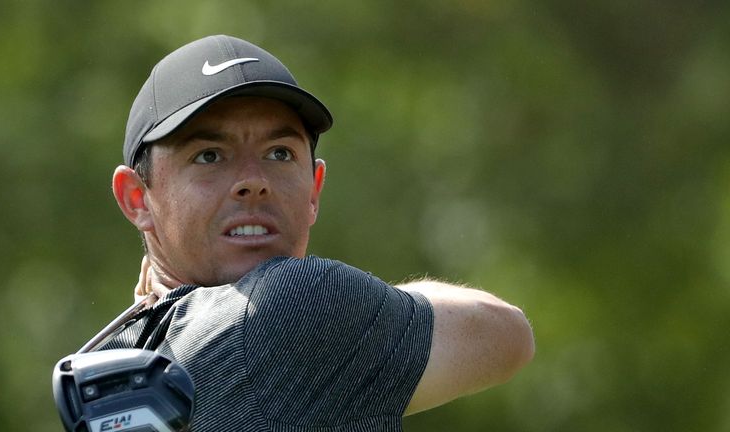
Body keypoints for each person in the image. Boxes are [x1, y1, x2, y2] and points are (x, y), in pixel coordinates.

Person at [104, 34, 534, 431]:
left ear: (314, 188)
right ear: (137, 198)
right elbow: (508, 335)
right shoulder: (293, 303)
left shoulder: (105, 366)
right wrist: (365, 311)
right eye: (209, 155)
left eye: (279, 152)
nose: (254, 181)